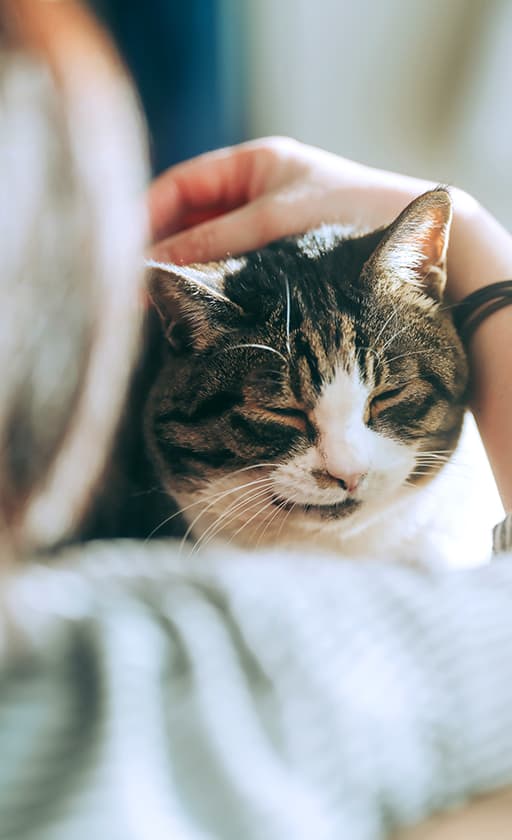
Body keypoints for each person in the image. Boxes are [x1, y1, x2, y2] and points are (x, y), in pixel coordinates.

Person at [2, 2, 512, 839]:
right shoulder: (175, 671)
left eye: (383, 408)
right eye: (281, 412)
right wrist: (482, 243)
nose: (347, 464)